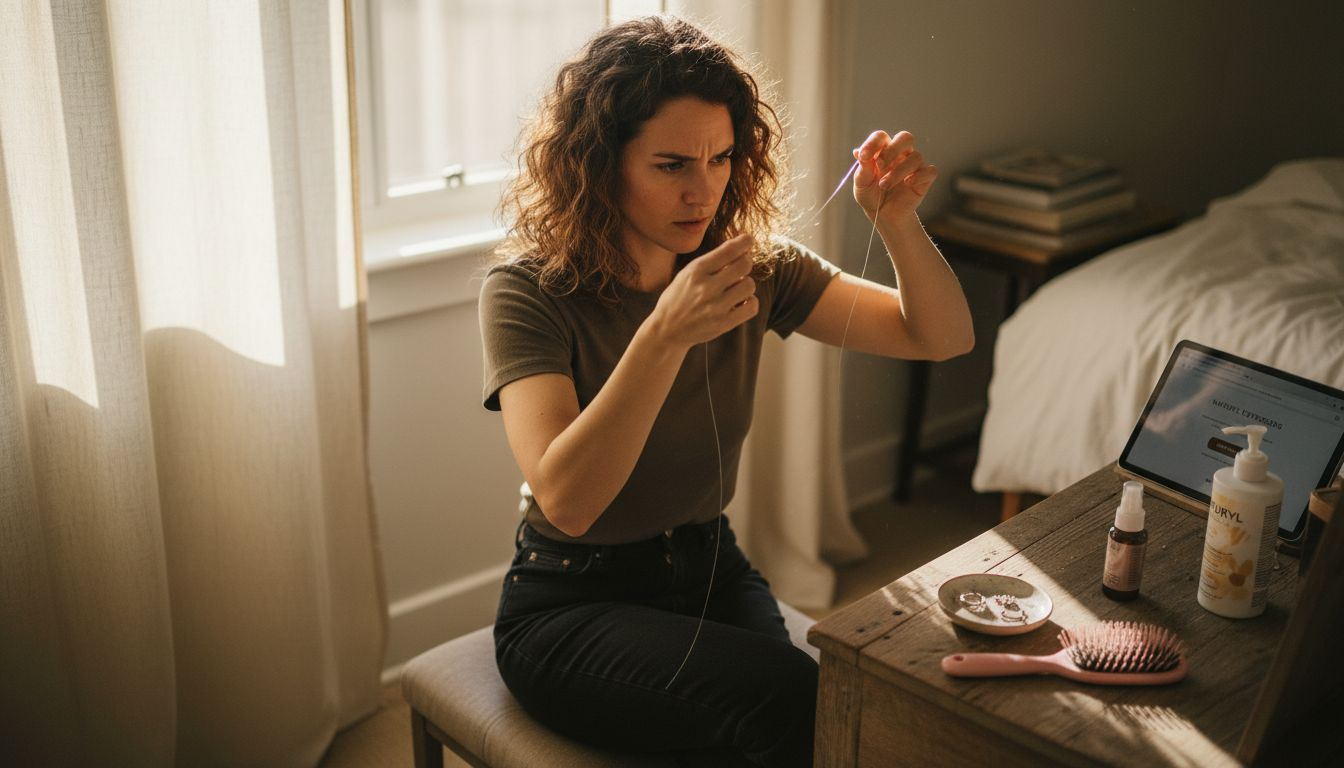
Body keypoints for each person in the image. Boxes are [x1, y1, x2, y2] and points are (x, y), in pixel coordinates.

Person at [479, 15, 973, 768]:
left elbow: (938, 337)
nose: (703, 190)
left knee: (830, 705)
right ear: (599, 164)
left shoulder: (755, 267)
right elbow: (568, 502)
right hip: (570, 603)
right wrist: (664, 334)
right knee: (792, 702)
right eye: (672, 164)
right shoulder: (527, 291)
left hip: (710, 567)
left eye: (721, 159)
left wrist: (899, 224)